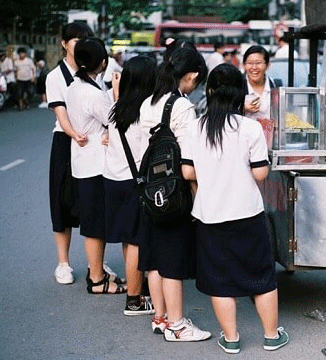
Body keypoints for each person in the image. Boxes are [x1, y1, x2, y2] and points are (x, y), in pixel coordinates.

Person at [181, 63, 289, 354]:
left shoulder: (195, 127)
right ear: (240, 93)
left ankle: (231, 339)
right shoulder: (250, 128)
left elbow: (188, 173)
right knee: (261, 277)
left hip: (209, 214)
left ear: (211, 91)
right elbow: (260, 174)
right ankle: (271, 336)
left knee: (220, 280)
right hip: (247, 214)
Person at [137, 45, 211, 341]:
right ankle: (178, 325)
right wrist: (197, 196)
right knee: (173, 261)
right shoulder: (183, 107)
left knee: (155, 258)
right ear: (191, 75)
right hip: (174, 193)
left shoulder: (148, 103)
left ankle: (160, 317)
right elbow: (187, 164)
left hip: (150, 189)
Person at [66, 37, 126, 295]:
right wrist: (118, 95)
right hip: (97, 164)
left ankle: (97, 273)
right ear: (102, 62)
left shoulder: (74, 87)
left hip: (82, 162)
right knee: (95, 224)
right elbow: (116, 120)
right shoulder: (94, 93)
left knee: (93, 223)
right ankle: (97, 278)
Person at [105, 55, 157, 314]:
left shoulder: (116, 108)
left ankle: (138, 290)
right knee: (137, 241)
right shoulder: (146, 112)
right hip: (135, 184)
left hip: (113, 181)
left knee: (129, 240)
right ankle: (135, 300)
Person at [46, 22, 92, 285]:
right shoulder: (55, 76)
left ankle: (94, 261)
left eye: (85, 39)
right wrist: (74, 134)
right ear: (64, 43)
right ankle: (63, 262)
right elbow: (60, 112)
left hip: (92, 143)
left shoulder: (96, 71)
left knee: (91, 202)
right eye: (75, 40)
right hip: (66, 141)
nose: (80, 44)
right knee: (61, 203)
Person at [242, 45, 276, 121]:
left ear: (267, 65)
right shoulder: (237, 86)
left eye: (258, 63)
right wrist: (242, 108)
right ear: (244, 65)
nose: (254, 67)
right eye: (250, 63)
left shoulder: (275, 86)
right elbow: (223, 110)